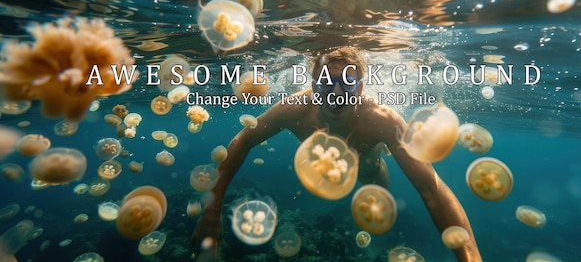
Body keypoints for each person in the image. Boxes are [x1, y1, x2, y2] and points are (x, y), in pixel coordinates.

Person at [191, 47, 482, 261]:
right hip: (320, 166)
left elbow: (430, 185)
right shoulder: (294, 109)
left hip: (368, 169)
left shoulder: (382, 119)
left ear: (361, 87)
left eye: (348, 82)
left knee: (375, 194)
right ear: (314, 86)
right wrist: (212, 210)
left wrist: (468, 254)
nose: (337, 92)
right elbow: (245, 139)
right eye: (327, 83)